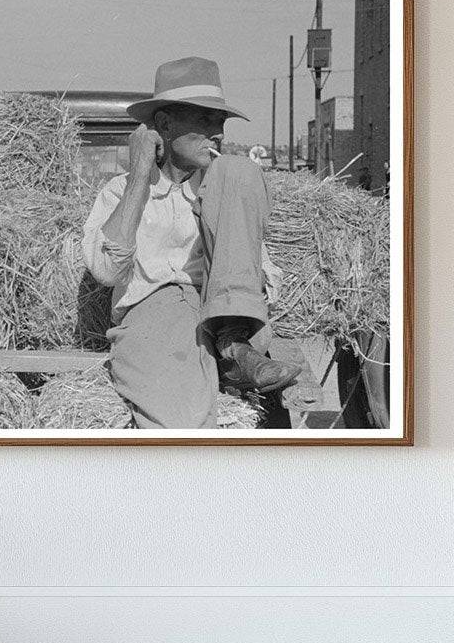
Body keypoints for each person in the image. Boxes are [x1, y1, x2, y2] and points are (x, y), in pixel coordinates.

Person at [82, 56, 301, 429]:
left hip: (222, 309)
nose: (217, 131)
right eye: (203, 119)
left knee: (241, 171)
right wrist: (139, 175)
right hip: (155, 317)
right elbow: (105, 271)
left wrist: (242, 289)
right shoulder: (121, 191)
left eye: (220, 121)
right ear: (164, 125)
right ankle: (231, 358)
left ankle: (234, 346)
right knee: (183, 421)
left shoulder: (224, 187)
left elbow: (265, 273)